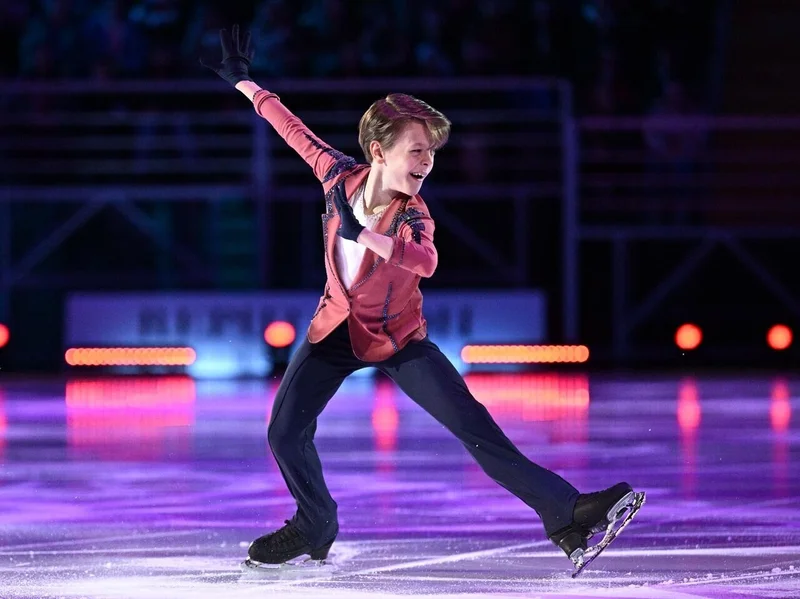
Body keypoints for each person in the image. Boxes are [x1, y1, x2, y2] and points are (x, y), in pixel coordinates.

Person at [202, 25, 644, 575]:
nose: (427, 161)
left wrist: (366, 236)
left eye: (432, 152)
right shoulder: (337, 176)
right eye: (417, 150)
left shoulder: (414, 214)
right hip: (334, 330)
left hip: (399, 340)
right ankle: (315, 523)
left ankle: (568, 512)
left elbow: (426, 261)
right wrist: (244, 82)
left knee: (474, 429)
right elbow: (291, 128)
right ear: (378, 151)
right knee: (284, 432)